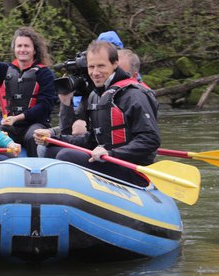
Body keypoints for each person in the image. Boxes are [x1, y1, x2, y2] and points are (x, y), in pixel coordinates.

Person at [34, 40, 160, 186]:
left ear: (115, 64)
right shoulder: (96, 95)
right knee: (50, 149)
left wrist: (111, 154)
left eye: (101, 66)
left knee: (65, 155)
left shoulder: (134, 95)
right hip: (106, 160)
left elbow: (150, 140)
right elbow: (92, 141)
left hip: (131, 168)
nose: (95, 72)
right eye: (91, 67)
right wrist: (54, 137)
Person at [0, 27, 57, 157]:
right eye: (19, 46)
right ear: (14, 49)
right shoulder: (4, 70)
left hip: (35, 124)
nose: (22, 49)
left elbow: (45, 106)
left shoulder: (45, 74)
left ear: (34, 50)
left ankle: (37, 170)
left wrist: (17, 118)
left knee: (33, 137)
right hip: (9, 126)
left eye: (26, 46)